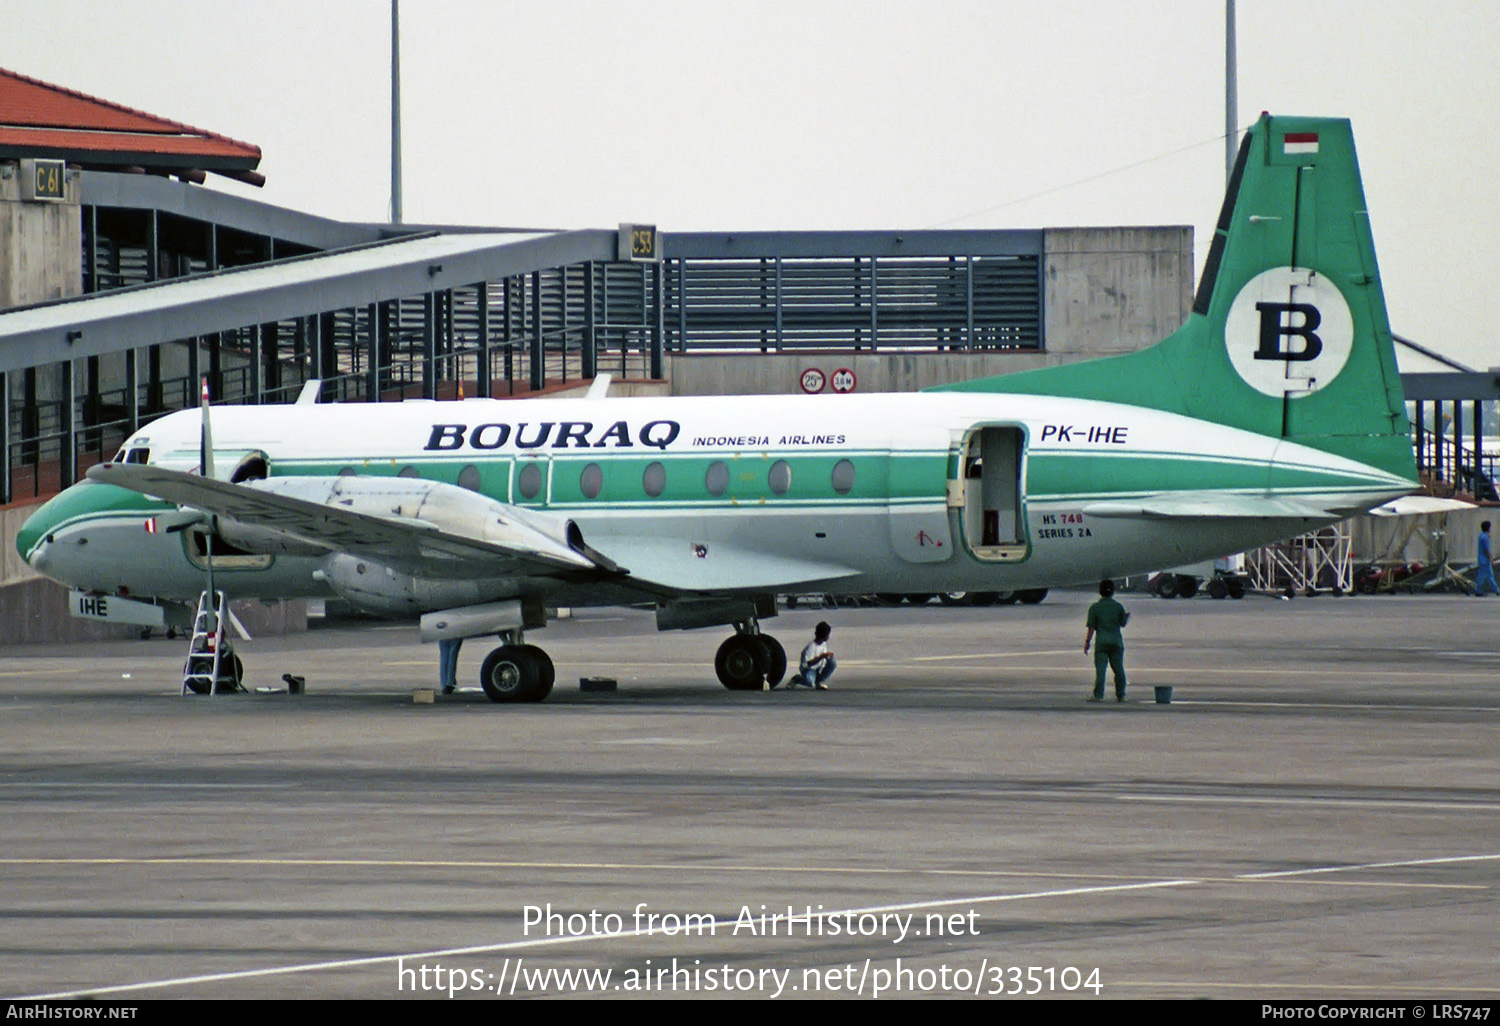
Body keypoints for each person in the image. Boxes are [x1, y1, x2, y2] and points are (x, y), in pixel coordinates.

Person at [1083, 579, 1129, 702]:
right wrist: (1126, 617)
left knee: (1101, 671)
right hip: (1116, 642)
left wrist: (1087, 642)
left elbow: (1091, 627)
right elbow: (1123, 623)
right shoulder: (1118, 607)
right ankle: (1121, 694)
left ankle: (1098, 695)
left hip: (1102, 642)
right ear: (1113, 592)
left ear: (1100, 592)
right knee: (1119, 670)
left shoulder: (1095, 608)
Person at [792, 621, 836, 690]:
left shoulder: (823, 644)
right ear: (825, 636)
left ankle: (819, 681)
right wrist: (821, 656)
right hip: (808, 669)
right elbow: (809, 663)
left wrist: (827, 657)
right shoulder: (811, 647)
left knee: (832, 662)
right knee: (810, 683)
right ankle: (797, 679)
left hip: (818, 669)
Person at [1474, 521, 1498, 596]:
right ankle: (1496, 590)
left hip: (1482, 560)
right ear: (1488, 528)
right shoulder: (1485, 537)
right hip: (1485, 560)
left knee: (1486, 576)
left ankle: (1480, 590)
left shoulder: (1481, 536)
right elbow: (1486, 549)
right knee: (1487, 576)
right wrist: (1491, 559)